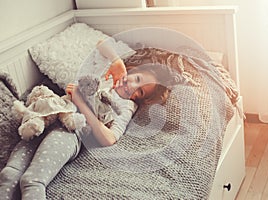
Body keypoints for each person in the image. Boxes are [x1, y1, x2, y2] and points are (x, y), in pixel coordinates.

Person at [0, 38, 170, 200]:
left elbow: (109, 138)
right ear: (132, 70)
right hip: (45, 117)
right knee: (9, 174)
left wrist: (80, 102)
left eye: (140, 92)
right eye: (137, 79)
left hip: (70, 131)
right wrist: (117, 61)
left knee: (32, 181)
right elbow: (101, 44)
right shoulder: (107, 73)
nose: (132, 87)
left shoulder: (126, 106)